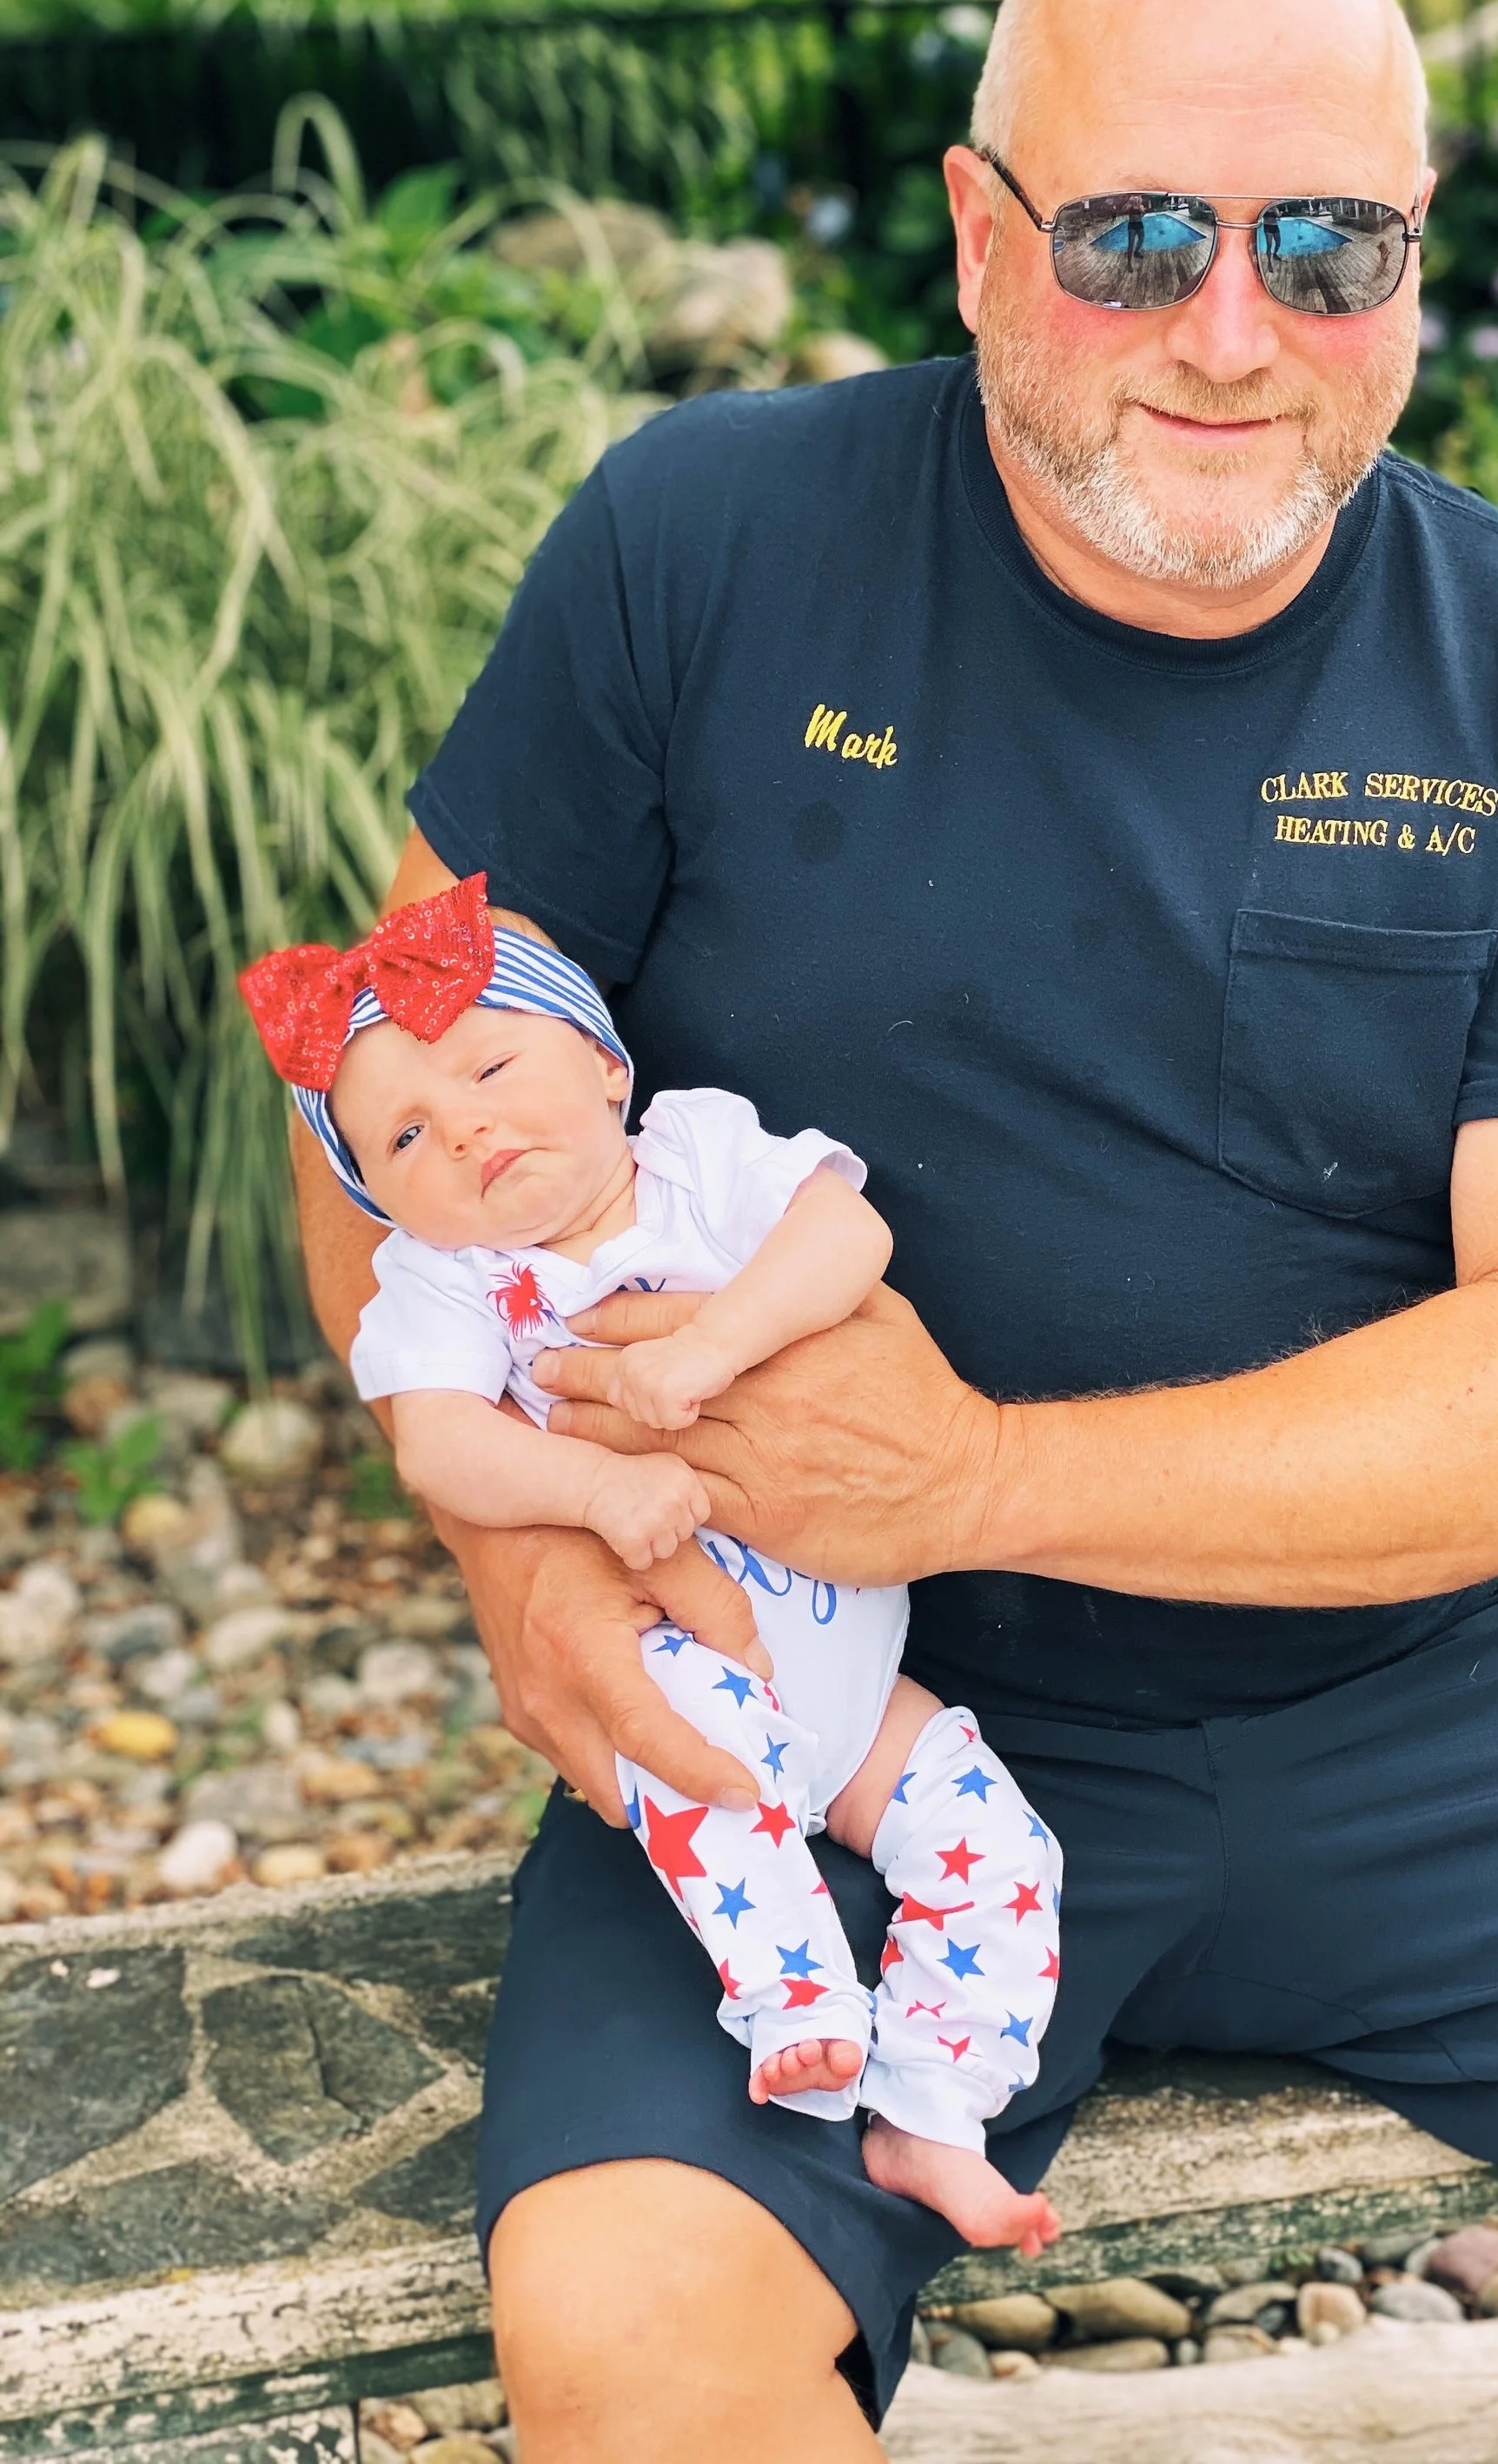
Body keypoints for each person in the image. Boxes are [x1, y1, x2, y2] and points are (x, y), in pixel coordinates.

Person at [297, 0, 1498, 2464]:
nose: (1230, 331)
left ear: (1416, 264)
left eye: (1328, 243)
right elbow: (378, 1068)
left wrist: (983, 1467)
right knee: (632, 2330)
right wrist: (502, 1539)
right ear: (974, 234)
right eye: (1137, 235)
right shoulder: (701, 548)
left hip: (1430, 1686)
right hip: (823, 1682)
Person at [243, 878, 1064, 2251]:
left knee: (995, 1842)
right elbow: (440, 1447)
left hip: (859, 1689)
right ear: (380, 1201)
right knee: (701, 1756)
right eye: (404, 1136)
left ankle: (937, 2106)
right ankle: (797, 2004)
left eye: (493, 1066)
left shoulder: (697, 1159)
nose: (469, 1126)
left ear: (610, 1066)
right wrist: (597, 1489)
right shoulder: (446, 1288)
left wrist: (713, 1347)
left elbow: (846, 1234)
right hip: (685, 1659)